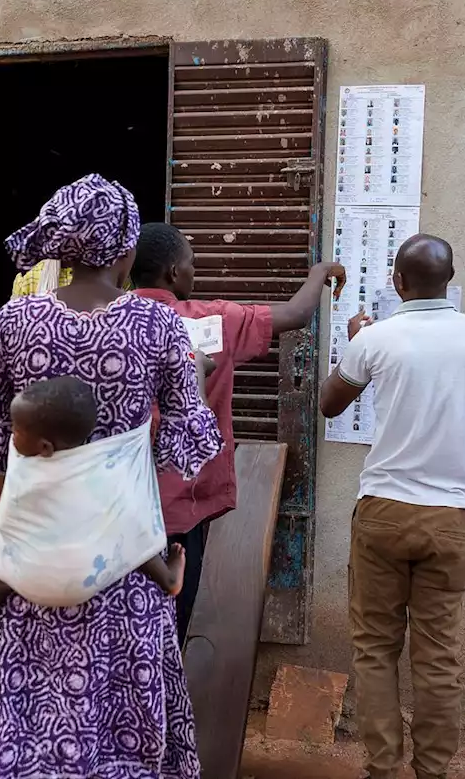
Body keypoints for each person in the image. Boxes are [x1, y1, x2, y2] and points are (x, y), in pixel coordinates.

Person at [0, 174, 222, 779]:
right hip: (121, 552)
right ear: (126, 250)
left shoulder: (12, 321)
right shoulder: (158, 326)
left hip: (26, 552)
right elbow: (187, 440)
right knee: (122, 708)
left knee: (22, 701)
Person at [318, 234, 465, 779]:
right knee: (438, 653)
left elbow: (331, 403)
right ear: (449, 283)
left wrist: (356, 340)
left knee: (375, 649)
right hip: (451, 516)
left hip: (383, 510)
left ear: (398, 284)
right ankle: (433, 771)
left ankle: (383, 768)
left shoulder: (378, 338)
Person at [131, 221, 346, 644]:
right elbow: (296, 314)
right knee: (173, 617)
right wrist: (319, 273)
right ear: (174, 273)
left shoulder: (105, 322)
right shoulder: (209, 323)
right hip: (180, 503)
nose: (195, 272)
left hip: (119, 504)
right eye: (191, 264)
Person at [0, 375, 186, 654]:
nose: (12, 435)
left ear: (45, 447)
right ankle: (168, 579)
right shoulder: (97, 472)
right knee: (129, 533)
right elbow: (124, 508)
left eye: (17, 430)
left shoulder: (24, 465)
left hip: (25, 577)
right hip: (82, 580)